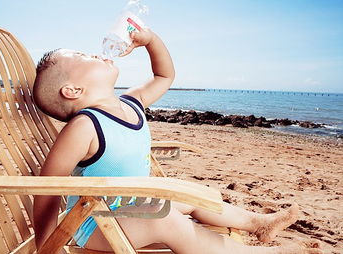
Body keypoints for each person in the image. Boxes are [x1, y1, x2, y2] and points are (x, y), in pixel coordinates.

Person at [32, 28, 322, 254]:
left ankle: (257, 224)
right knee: (167, 219)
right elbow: (47, 188)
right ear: (72, 90)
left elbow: (164, 75)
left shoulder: (130, 103)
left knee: (188, 198)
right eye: (83, 57)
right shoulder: (84, 127)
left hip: (130, 207)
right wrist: (47, 244)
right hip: (92, 223)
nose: (94, 54)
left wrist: (151, 41)